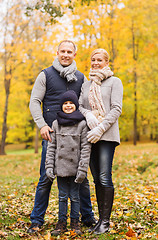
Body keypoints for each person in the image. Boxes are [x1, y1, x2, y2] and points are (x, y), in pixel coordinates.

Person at [28, 40, 96, 233]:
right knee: (45, 177)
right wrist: (42, 125)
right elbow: (34, 101)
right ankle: (37, 219)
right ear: (57, 53)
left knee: (82, 177)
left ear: (75, 54)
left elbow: (85, 104)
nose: (66, 54)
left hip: (76, 136)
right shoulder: (45, 75)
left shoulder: (81, 77)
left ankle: (87, 217)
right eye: (62, 51)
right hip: (52, 135)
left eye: (69, 51)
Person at [79, 48, 123, 234]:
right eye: (93, 60)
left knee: (105, 177)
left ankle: (105, 222)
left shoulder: (115, 82)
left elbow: (116, 108)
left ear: (106, 62)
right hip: (90, 136)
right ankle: (100, 221)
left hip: (107, 136)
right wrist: (88, 114)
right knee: (96, 178)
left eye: (99, 60)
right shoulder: (86, 85)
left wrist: (100, 128)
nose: (95, 63)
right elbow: (80, 106)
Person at [45, 90, 91, 236]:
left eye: (71, 103)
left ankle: (75, 222)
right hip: (61, 168)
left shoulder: (82, 124)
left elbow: (85, 148)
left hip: (76, 168)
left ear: (76, 105)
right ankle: (61, 223)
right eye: (65, 103)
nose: (68, 105)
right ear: (61, 106)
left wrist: (82, 169)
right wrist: (49, 166)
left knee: (76, 196)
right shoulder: (56, 123)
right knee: (62, 196)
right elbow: (51, 147)